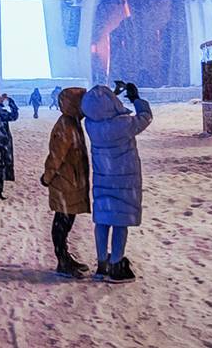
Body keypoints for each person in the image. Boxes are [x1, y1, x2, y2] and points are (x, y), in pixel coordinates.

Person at [82, 80, 153, 284]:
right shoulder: (124, 124)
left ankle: (102, 263)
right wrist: (135, 98)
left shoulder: (91, 125)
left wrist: (113, 94)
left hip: (103, 180)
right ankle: (116, 263)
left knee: (103, 221)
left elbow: (101, 110)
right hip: (124, 181)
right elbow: (145, 117)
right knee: (120, 222)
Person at [40, 86, 91, 278]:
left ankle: (64, 257)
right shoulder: (66, 126)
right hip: (65, 181)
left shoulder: (72, 122)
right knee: (63, 219)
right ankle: (62, 259)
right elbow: (56, 156)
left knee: (66, 219)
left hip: (71, 180)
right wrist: (48, 177)